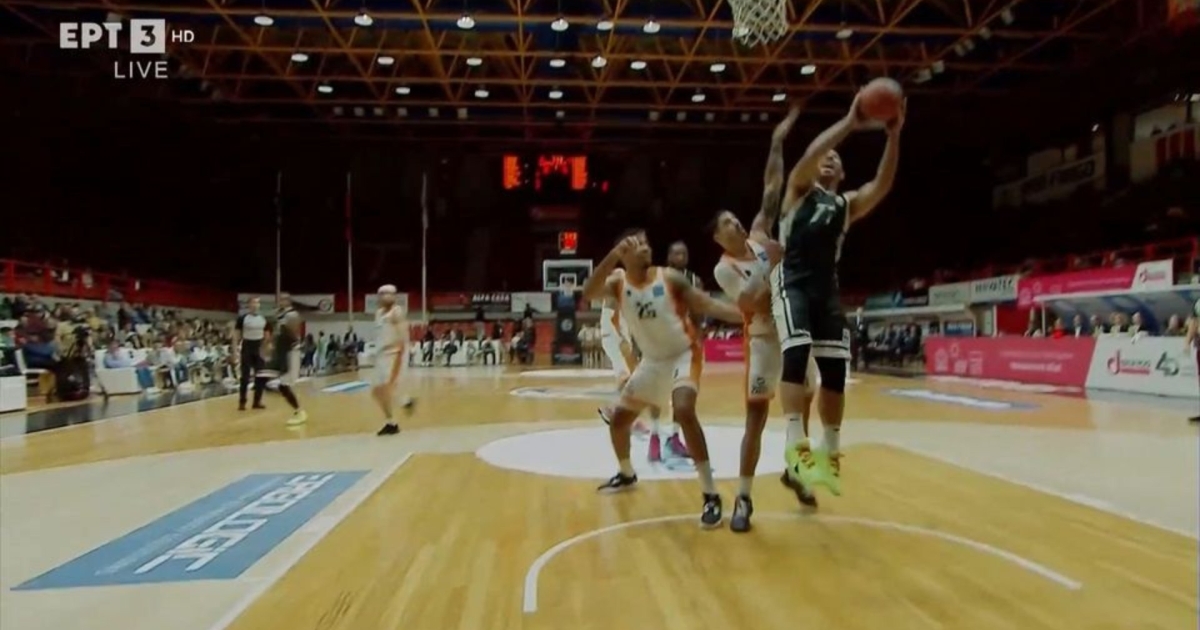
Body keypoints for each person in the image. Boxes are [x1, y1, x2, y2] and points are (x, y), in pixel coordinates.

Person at [772, 90, 904, 497]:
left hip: (826, 288)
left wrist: (894, 135)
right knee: (796, 355)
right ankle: (796, 447)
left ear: (843, 174)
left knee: (834, 372)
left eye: (836, 158)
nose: (829, 158)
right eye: (825, 156)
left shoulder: (847, 204)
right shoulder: (798, 191)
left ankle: (829, 452)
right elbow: (809, 155)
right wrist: (850, 121)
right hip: (792, 281)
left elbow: (882, 184)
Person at [580, 229, 745, 527]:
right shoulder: (618, 283)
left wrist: (747, 315)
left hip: (684, 353)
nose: (646, 247)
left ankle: (711, 495)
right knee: (619, 422)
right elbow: (588, 292)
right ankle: (627, 473)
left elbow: (707, 304)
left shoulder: (669, 278)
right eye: (638, 244)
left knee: (683, 409)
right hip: (653, 362)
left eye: (646, 243)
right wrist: (612, 256)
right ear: (624, 253)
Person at [709, 106, 818, 532]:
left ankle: (795, 471)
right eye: (726, 223)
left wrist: (776, 142)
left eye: (734, 218)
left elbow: (772, 188)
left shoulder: (758, 236)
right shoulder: (723, 269)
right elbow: (752, 304)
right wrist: (774, 266)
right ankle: (744, 497)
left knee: (803, 405)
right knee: (755, 420)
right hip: (762, 343)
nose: (735, 222)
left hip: (792, 333)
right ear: (718, 237)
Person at [596, 292, 656, 442]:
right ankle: (616, 412)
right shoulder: (616, 290)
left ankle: (622, 414)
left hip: (616, 338)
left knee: (625, 377)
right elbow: (613, 316)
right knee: (628, 378)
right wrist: (622, 338)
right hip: (615, 339)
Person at [255, 295, 307, 426]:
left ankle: (299, 411)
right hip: (282, 352)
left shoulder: (292, 315)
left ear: (288, 301)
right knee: (266, 378)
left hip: (291, 352)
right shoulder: (280, 316)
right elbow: (275, 335)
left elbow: (293, 332)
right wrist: (269, 345)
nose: (280, 302)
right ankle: (296, 408)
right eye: (280, 300)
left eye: (283, 299)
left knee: (283, 384)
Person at [373, 285, 416, 436]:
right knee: (377, 392)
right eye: (382, 294)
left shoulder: (397, 313)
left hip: (393, 355)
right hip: (381, 356)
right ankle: (404, 404)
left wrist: (399, 358)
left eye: (388, 294)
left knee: (386, 389)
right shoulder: (379, 313)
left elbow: (402, 339)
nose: (385, 297)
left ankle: (392, 422)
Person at [234, 297, 268, 410]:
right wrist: (235, 351)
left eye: (257, 303)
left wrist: (265, 350)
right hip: (247, 346)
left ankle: (257, 402)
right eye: (253, 303)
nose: (255, 305)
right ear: (249, 305)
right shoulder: (242, 319)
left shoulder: (263, 319)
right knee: (245, 377)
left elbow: (266, 336)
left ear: (259, 305)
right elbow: (236, 335)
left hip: (258, 347)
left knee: (261, 376)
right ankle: (242, 402)